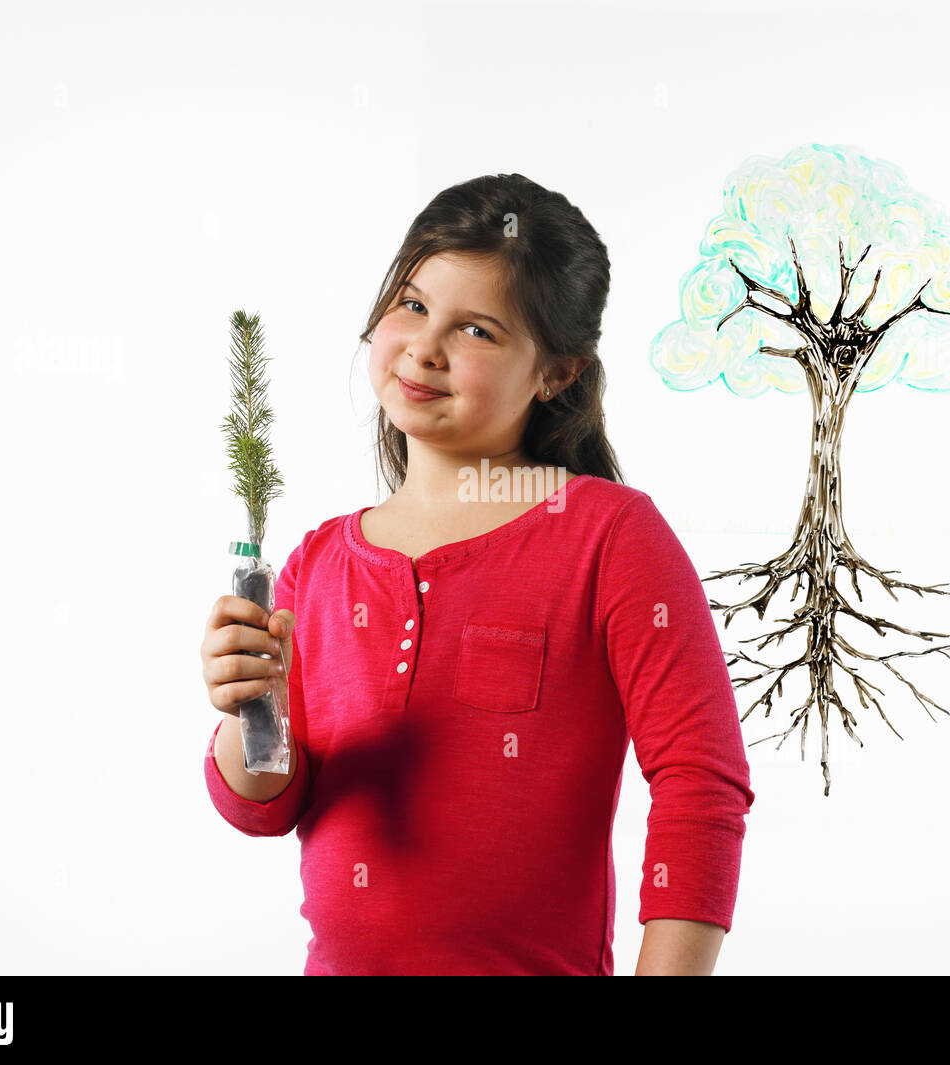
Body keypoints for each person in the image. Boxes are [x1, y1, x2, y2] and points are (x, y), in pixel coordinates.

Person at [199, 173, 755, 975]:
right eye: (413, 305)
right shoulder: (317, 565)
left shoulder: (610, 538)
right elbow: (266, 804)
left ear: (557, 372)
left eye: (479, 331)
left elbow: (701, 782)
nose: (424, 348)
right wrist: (247, 709)